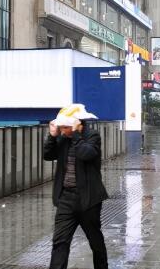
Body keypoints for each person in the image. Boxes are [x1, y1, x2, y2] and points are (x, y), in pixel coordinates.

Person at [43, 104, 109, 269]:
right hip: (66, 199)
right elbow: (48, 155)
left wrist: (75, 135)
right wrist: (52, 136)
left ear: (77, 124)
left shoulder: (92, 136)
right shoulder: (62, 138)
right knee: (60, 242)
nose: (63, 130)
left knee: (95, 241)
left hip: (88, 200)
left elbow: (86, 154)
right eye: (61, 127)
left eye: (65, 127)